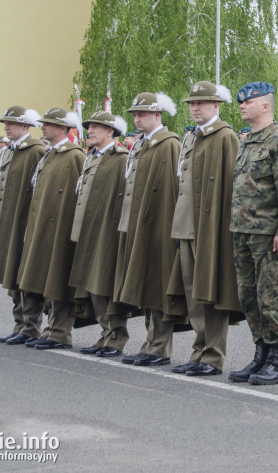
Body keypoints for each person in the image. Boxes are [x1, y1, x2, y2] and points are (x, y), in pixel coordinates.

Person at [167, 81, 243, 377]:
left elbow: (229, 188)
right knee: (192, 292)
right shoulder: (192, 138)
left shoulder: (225, 137)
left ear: (216, 106)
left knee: (210, 291)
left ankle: (213, 355)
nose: (195, 108)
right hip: (186, 225)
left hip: (209, 227)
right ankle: (199, 350)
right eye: (191, 104)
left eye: (201, 103)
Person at [228, 81, 278, 384]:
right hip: (243, 231)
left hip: (268, 235)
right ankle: (260, 353)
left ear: (265, 105)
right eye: (241, 101)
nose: (242, 105)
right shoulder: (247, 141)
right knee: (248, 296)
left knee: (270, 296)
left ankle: (276, 360)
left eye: (249, 101)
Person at [115, 92, 184, 367]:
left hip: (159, 226)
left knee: (157, 284)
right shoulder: (144, 145)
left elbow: (170, 191)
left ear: (158, 115)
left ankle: (159, 347)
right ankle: (150, 343)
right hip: (141, 225)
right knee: (145, 282)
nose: (137, 118)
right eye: (134, 114)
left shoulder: (167, 144)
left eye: (142, 114)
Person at [17, 108, 86, 350]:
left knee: (58, 277)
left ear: (62, 128)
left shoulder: (73, 155)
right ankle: (44, 329)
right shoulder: (51, 154)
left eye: (48, 124)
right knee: (43, 276)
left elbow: (76, 196)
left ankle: (59, 332)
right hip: (43, 225)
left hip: (61, 227)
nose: (43, 127)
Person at [68, 111, 131, 358]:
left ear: (110, 131)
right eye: (89, 127)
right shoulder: (92, 157)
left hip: (108, 230)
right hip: (89, 228)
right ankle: (105, 334)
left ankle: (116, 337)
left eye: (96, 127)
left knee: (105, 282)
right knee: (93, 284)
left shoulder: (120, 158)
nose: (90, 131)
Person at [0, 106, 47, 345]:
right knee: (11, 275)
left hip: (23, 222)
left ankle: (30, 326)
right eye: (5, 123)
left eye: (11, 123)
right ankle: (20, 323)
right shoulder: (10, 151)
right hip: (9, 220)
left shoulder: (35, 150)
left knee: (24, 275)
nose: (6, 127)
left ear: (25, 126)